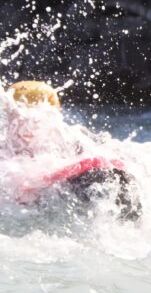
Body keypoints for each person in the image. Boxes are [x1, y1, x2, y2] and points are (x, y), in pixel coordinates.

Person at [3, 80, 142, 222]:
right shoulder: (6, 147)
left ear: (52, 115)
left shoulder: (71, 138)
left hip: (95, 182)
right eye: (15, 117)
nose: (25, 126)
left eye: (33, 120)